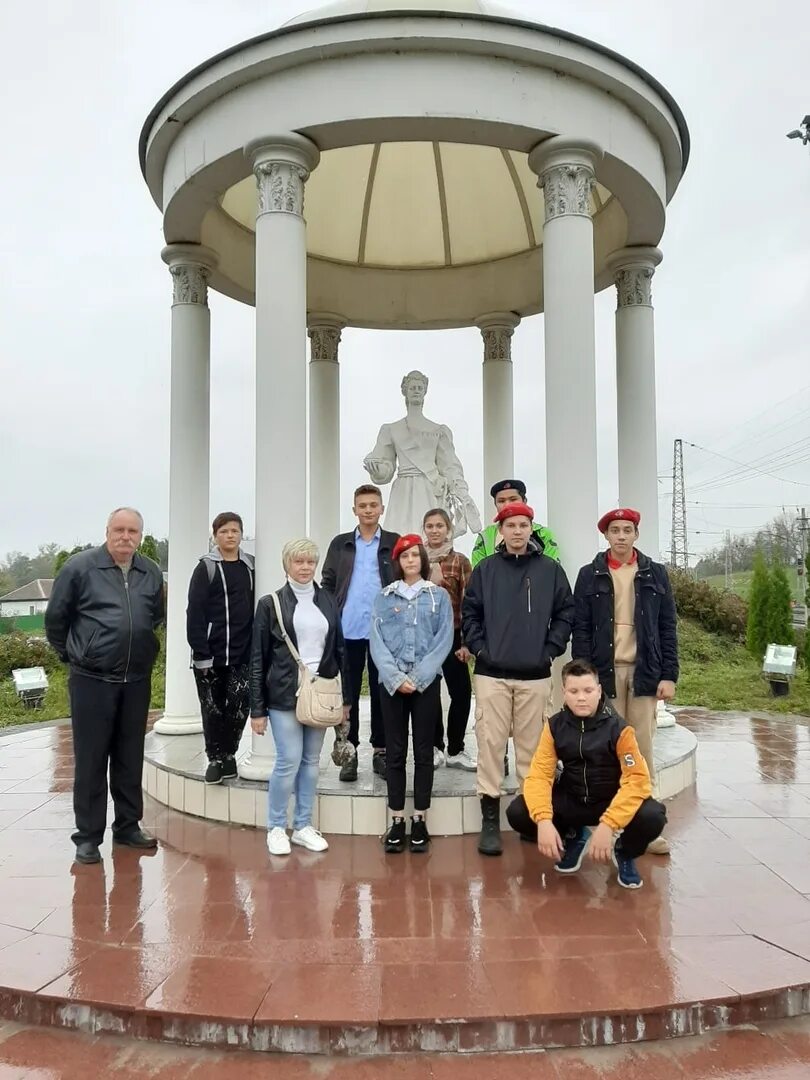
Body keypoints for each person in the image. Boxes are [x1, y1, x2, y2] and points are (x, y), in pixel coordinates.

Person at [45, 508, 164, 865]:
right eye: (119, 529)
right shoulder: (80, 568)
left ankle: (128, 827)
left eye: (133, 531)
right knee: (92, 760)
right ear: (107, 531)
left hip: (136, 680)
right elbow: (56, 620)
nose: (126, 537)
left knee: (130, 759)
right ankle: (87, 837)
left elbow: (155, 616)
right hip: (91, 681)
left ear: (141, 536)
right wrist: (76, 655)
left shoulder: (151, 572)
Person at [462, 502, 574, 857]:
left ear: (531, 529)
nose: (517, 531)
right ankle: (491, 822)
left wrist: (550, 649)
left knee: (533, 750)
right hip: (492, 674)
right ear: (501, 530)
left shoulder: (550, 570)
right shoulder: (485, 570)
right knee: (491, 746)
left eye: (523, 525)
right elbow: (470, 613)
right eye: (510, 525)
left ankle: (529, 816)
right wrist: (481, 649)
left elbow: (565, 612)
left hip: (535, 674)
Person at [572, 508, 679, 856]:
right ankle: (609, 823)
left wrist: (669, 675)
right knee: (607, 751)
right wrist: (585, 677)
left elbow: (667, 627)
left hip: (645, 672)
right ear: (606, 535)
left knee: (641, 750)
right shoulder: (590, 575)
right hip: (606, 673)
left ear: (636, 534)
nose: (621, 535)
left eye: (627, 530)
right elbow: (582, 628)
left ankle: (646, 825)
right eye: (615, 530)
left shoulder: (654, 574)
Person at [506, 660, 667, 889]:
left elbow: (637, 781)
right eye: (574, 691)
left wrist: (609, 825)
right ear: (564, 693)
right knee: (519, 812)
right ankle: (575, 835)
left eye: (588, 690)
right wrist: (542, 820)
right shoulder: (554, 727)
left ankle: (624, 852)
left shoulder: (620, 730)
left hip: (609, 801)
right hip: (573, 800)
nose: (581, 697)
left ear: (599, 690)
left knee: (653, 816)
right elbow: (539, 775)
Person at [249, 538, 350, 856]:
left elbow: (339, 648)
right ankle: (276, 827)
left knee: (310, 762)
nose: (305, 567)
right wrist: (257, 709)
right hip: (283, 695)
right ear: (287, 564)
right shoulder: (271, 604)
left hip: (320, 693)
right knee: (288, 760)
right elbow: (257, 658)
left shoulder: (328, 600)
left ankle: (303, 825)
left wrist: (343, 697)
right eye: (299, 561)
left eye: (310, 561)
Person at [370, 534, 454, 853]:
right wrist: (394, 677)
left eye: (415, 556)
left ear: (423, 559)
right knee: (394, 752)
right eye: (404, 557)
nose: (410, 561)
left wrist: (419, 677)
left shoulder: (438, 597)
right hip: (391, 685)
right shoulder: (384, 597)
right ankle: (396, 820)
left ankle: (419, 818)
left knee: (422, 752)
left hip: (426, 683)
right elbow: (376, 640)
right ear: (398, 562)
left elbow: (443, 639)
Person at [321, 484, 399, 782]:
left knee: (383, 694)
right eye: (362, 505)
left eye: (373, 505)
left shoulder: (393, 542)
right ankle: (348, 752)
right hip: (347, 629)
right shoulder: (341, 544)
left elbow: (407, 575)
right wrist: (330, 617)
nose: (368, 510)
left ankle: (380, 751)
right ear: (354, 510)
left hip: (385, 631)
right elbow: (328, 583)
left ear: (381, 508)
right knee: (347, 694)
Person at [364, 370, 482, 539]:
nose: (417, 390)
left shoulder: (439, 431)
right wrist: (377, 470)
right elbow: (386, 467)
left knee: (431, 539)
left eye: (420, 387)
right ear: (405, 391)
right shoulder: (391, 429)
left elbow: (449, 465)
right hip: (403, 492)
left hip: (430, 489)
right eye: (412, 387)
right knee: (399, 539)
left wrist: (461, 491)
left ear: (425, 391)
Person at [186, 512, 254, 785]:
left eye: (235, 531)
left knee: (239, 706)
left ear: (241, 534)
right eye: (224, 531)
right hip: (210, 654)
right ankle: (215, 758)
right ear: (215, 535)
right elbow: (195, 611)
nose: (230, 535)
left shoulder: (249, 566)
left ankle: (229, 754)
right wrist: (200, 650)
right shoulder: (206, 568)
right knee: (212, 708)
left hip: (242, 652)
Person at [423, 507, 475, 771]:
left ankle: (456, 748)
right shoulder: (416, 560)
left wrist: (467, 642)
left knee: (462, 693)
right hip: (425, 638)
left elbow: (467, 602)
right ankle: (435, 747)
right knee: (429, 693)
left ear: (448, 529)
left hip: (453, 634)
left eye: (439, 526)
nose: (434, 530)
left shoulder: (460, 561)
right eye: (430, 526)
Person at [471, 479, 559, 567]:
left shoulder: (543, 535)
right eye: (501, 501)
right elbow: (478, 573)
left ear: (524, 501)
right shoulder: (485, 537)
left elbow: (551, 570)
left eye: (513, 499)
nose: (507, 505)